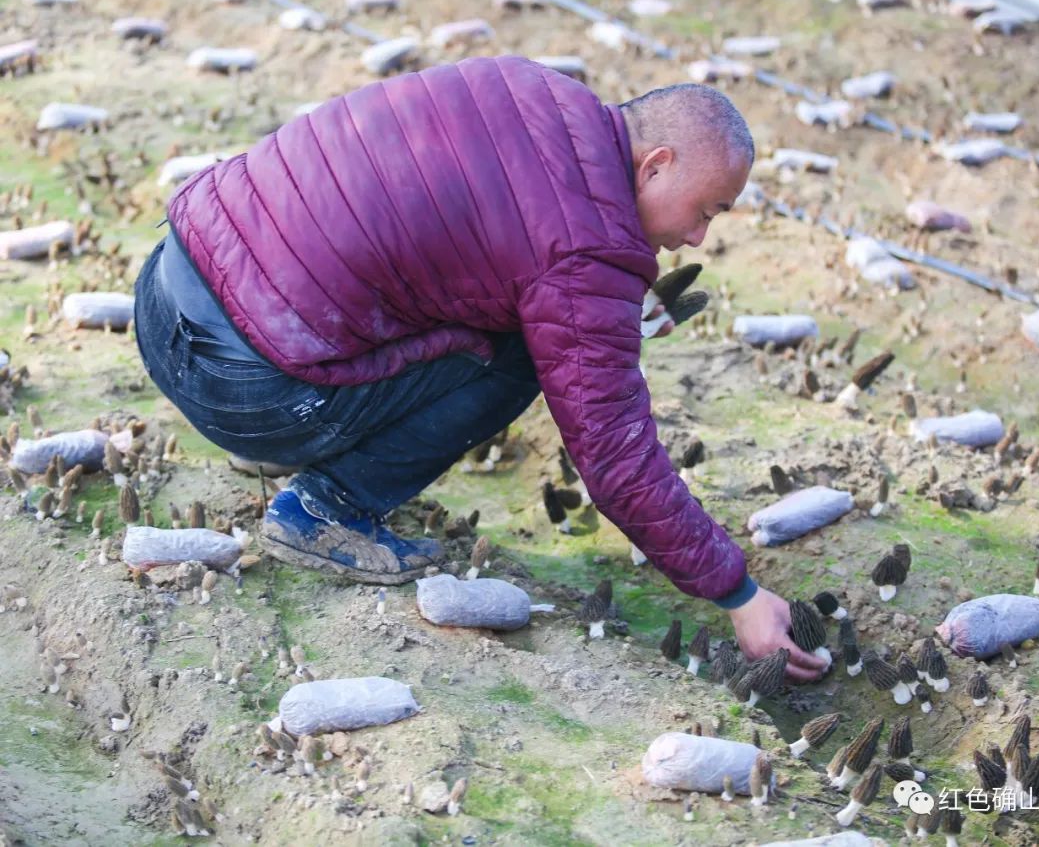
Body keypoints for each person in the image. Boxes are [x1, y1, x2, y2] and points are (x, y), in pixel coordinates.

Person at [132, 55, 826, 682]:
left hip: (169, 285)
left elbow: (488, 228)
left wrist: (605, 308)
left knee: (505, 308)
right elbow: (614, 455)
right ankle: (325, 508)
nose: (699, 237)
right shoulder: (588, 249)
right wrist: (735, 590)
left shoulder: (535, 88)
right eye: (706, 210)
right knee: (527, 352)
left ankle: (305, 432)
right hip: (242, 384)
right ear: (655, 165)